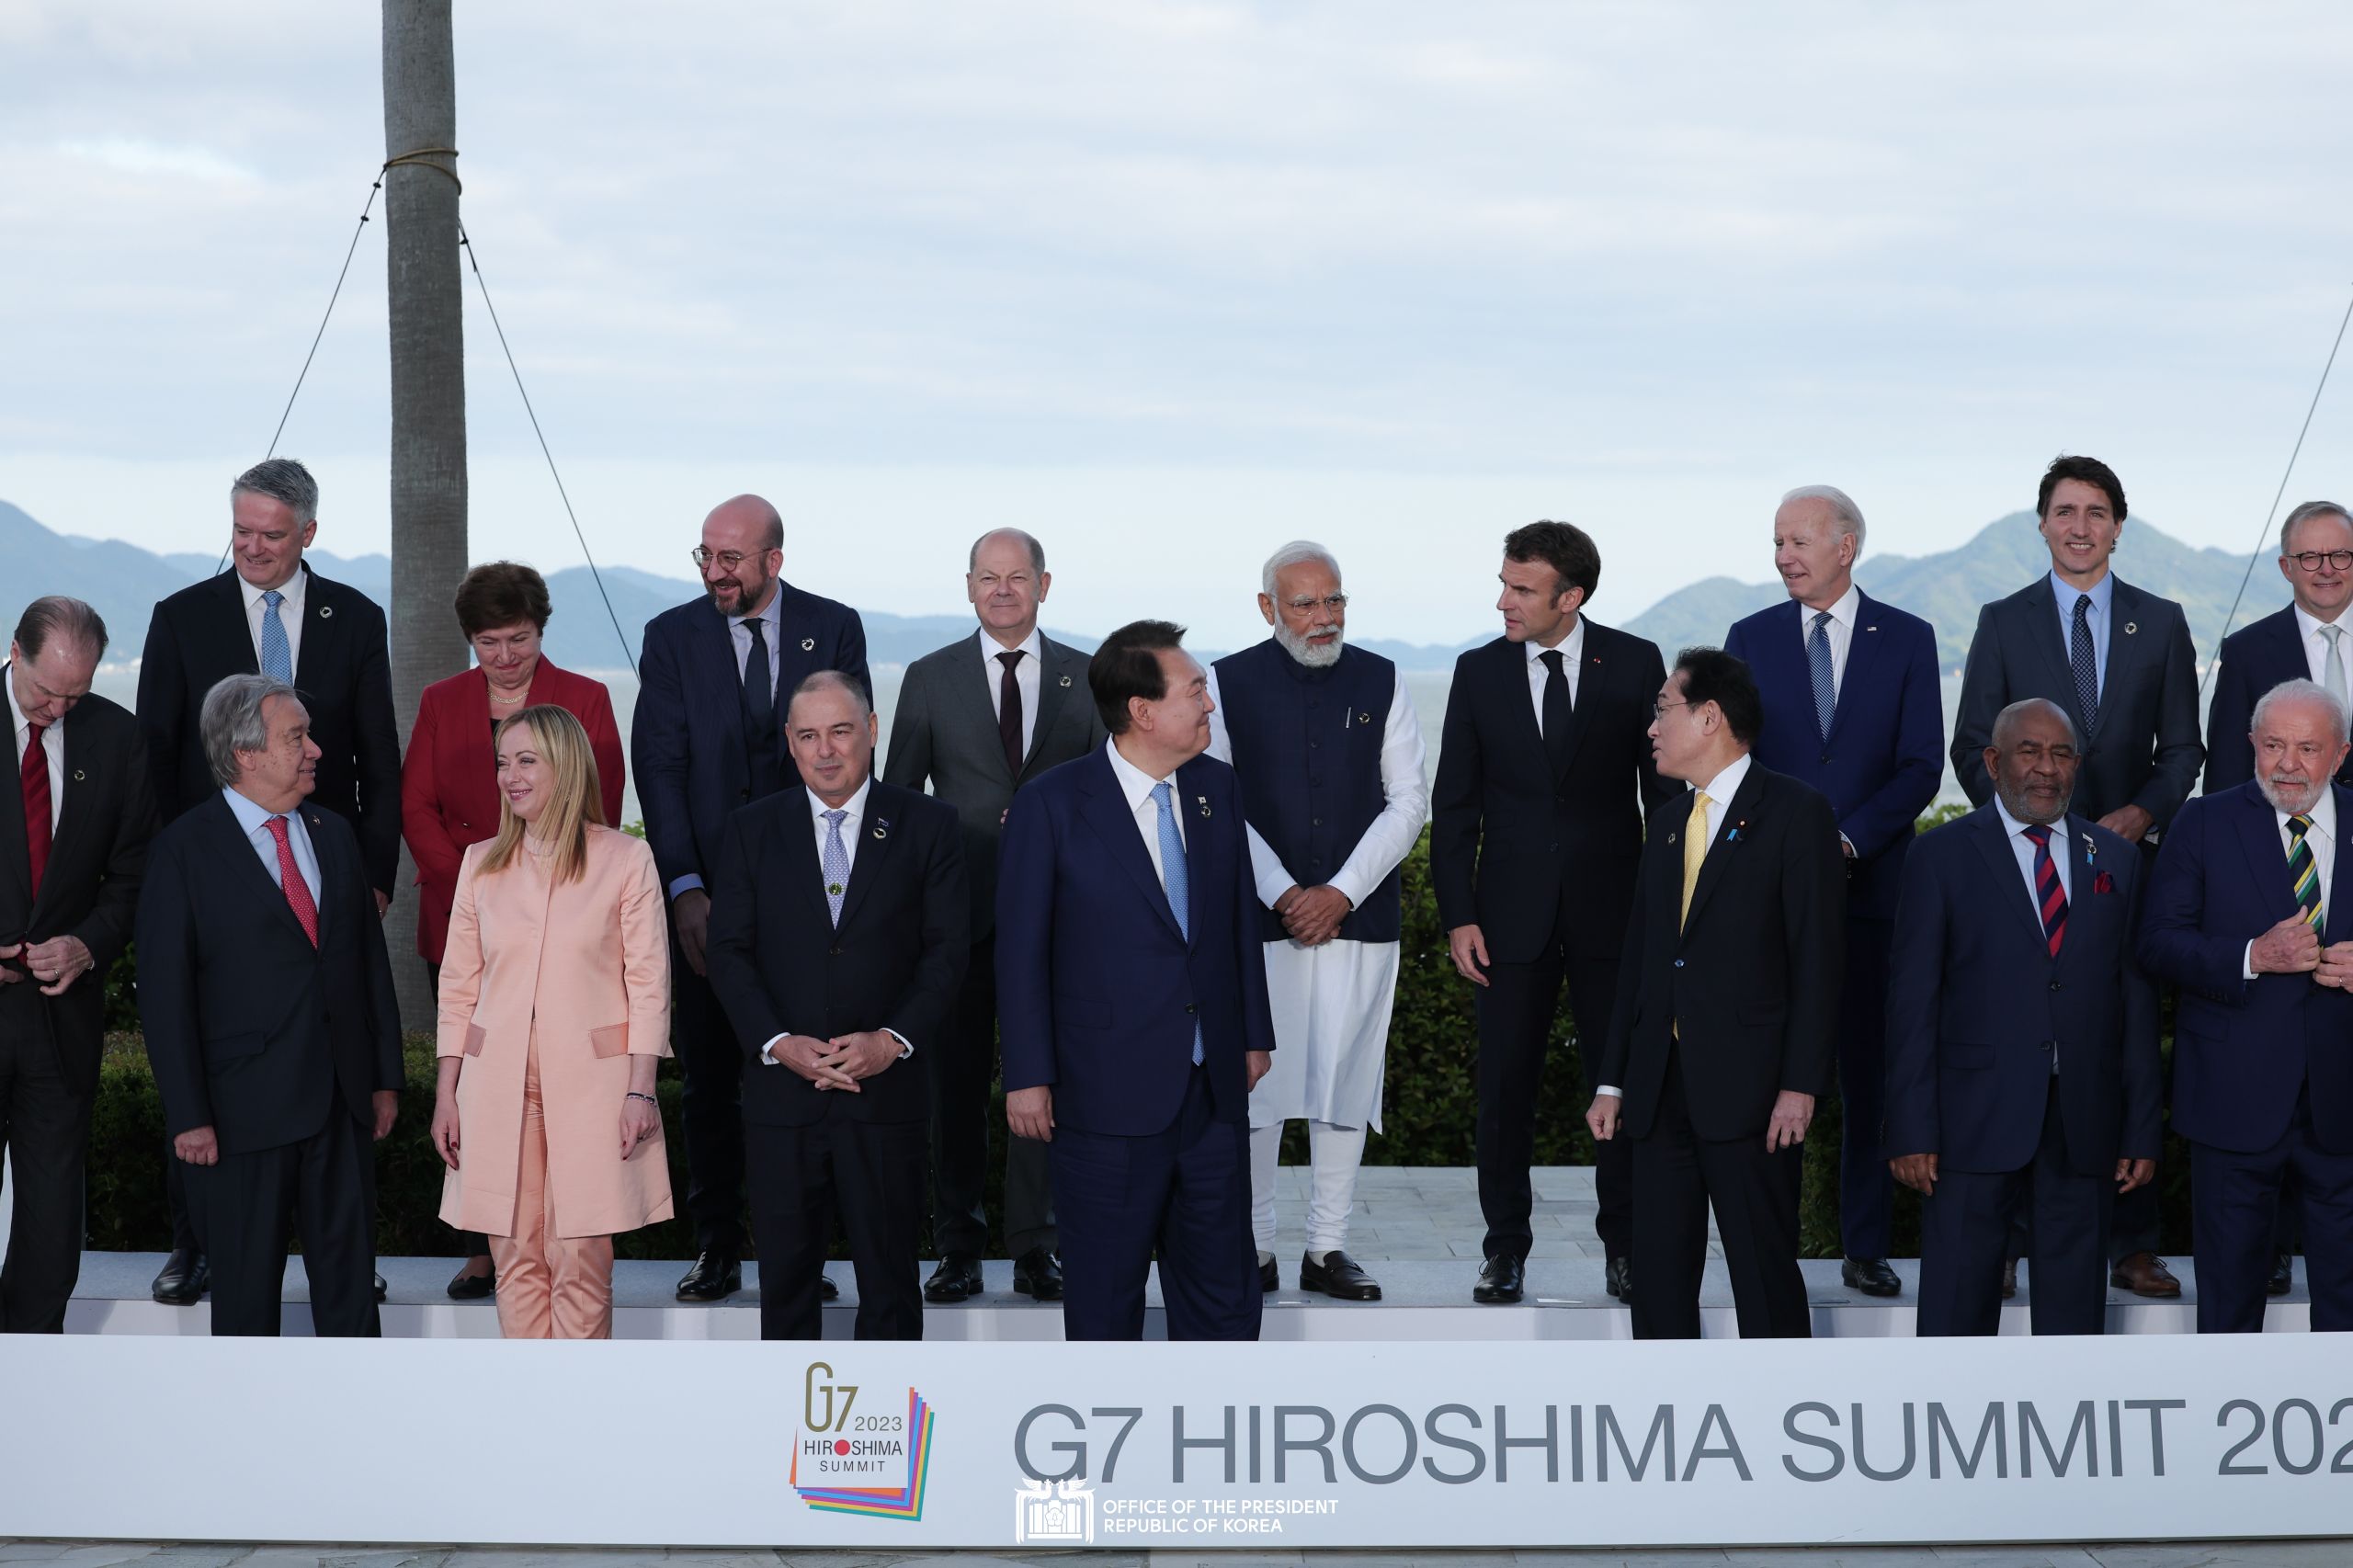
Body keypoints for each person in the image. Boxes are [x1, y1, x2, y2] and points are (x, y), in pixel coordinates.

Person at [134, 457, 401, 1308]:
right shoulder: (182, 617)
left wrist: (376, 876)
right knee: (222, 1073)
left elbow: (376, 756)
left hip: (327, 862)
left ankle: (347, 1261)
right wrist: (190, 872)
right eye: (241, 531)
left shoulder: (354, 616)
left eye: (270, 535)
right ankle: (197, 1245)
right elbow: (156, 755)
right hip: (220, 874)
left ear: (308, 535)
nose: (252, 547)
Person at [1949, 453, 2202, 1301]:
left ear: (2118, 527)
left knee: (2125, 1041)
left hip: (2126, 874)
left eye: (2097, 511)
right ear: (2044, 523)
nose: (2081, 526)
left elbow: (2185, 752)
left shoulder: (2161, 622)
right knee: (2025, 1040)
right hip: (2026, 875)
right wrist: (2035, 822)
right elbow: (1970, 744)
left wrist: (2135, 820)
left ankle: (2131, 1240)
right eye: (2065, 511)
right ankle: (2019, 1237)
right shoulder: (2001, 619)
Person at [997, 620, 1276, 1340]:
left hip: (1212, 1096)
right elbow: (1020, 950)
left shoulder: (1218, 789)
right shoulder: (1053, 804)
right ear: (1144, 712)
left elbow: (1237, 922)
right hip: (1101, 1100)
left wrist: (1252, 1036)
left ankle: (1218, 1440)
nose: (1210, 703)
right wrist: (1027, 1075)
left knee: (1224, 1297)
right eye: (1195, 691)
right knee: (1104, 1299)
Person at [632, 494, 869, 1303]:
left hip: (807, 902)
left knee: (808, 1078)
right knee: (708, 1083)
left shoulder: (834, 628)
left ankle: (799, 1255)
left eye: (731, 558)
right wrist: (685, 887)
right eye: (706, 556)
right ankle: (718, 1248)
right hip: (705, 900)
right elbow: (657, 768)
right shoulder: (670, 638)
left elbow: (848, 757)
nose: (715, 571)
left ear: (774, 559)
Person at [1430, 521, 1674, 1306]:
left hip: (1616, 917)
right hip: (1507, 921)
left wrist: (1664, 915)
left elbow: (1664, 800)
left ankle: (1627, 1247)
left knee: (1623, 1084)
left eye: (1521, 588)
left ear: (1570, 598)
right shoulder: (1476, 672)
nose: (1503, 600)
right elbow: (1455, 806)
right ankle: (1504, 1250)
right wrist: (1459, 916)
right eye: (1505, 583)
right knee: (1505, 1090)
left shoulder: (1634, 663)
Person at [1723, 486, 1942, 1300]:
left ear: (1846, 546)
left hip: (1876, 890)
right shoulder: (1749, 637)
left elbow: (1923, 764)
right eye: (1777, 542)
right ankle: (1769, 1242)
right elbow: (1733, 757)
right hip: (1771, 899)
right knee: (1768, 1074)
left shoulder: (1910, 638)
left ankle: (1865, 1243)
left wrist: (1848, 838)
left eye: (1799, 541)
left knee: (1869, 1078)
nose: (1783, 556)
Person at [1586, 648, 1843, 1340]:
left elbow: (1818, 961)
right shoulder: (1668, 822)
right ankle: (1666, 1419)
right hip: (1657, 1092)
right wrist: (1612, 1080)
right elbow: (1641, 962)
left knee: (1763, 1275)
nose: (1651, 728)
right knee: (1659, 1277)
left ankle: (1785, 1417)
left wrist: (1800, 1084)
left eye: (1662, 710)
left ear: (1709, 717)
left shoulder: (1796, 813)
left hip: (1755, 1097)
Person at [1884, 699, 2160, 1335]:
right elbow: (1911, 1004)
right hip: (1968, 1125)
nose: (2046, 768)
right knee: (1958, 1306)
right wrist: (1909, 1127)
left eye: (2061, 753)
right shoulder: (1940, 856)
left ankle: (2068, 1430)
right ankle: (1948, 1426)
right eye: (2029, 752)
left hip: (2083, 1123)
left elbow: (2135, 1003)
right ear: (1992, 762)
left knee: (2074, 1317)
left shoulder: (2115, 860)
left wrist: (2141, 1129)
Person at [706, 672, 969, 1340]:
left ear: (872, 731)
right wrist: (777, 1043)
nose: (826, 750)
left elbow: (947, 954)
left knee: (890, 1288)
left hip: (886, 1100)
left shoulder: (929, 826)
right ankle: (788, 1440)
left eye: (841, 731)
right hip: (781, 1102)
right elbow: (728, 954)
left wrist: (892, 1039)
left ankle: (893, 1442)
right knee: (785, 1289)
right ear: (789, 746)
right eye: (808, 735)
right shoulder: (749, 830)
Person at [882, 528, 1101, 1306]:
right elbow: (900, 806)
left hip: (1061, 917)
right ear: (969, 586)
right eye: (988, 577)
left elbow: (1111, 796)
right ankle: (959, 1247)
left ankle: (1039, 1246)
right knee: (957, 1084)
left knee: (1043, 1080)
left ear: (1045, 585)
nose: (1002, 589)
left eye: (1017, 577)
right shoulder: (930, 677)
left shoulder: (1087, 676)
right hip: (957, 916)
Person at [1205, 541, 1427, 1301]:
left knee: (1346, 1077)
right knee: (1259, 1083)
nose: (1324, 617)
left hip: (1359, 919)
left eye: (1334, 600)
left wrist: (1341, 892)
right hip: (1258, 920)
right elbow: (1217, 800)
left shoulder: (1384, 678)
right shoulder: (1223, 681)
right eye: (1305, 603)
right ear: (1268, 608)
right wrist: (1281, 893)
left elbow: (1409, 801)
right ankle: (1257, 1249)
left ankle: (1326, 1249)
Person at [403, 562, 626, 1298]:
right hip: (475, 923)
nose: (503, 655)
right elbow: (417, 808)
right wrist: (481, 882)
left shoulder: (587, 699)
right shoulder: (441, 701)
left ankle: (572, 1229)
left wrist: (543, 890)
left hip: (569, 926)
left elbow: (602, 808)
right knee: (478, 1089)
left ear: (541, 630)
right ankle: (482, 1243)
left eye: (518, 639)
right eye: (488, 642)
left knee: (569, 1087)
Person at [429, 706, 671, 1339]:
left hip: (594, 1090)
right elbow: (458, 987)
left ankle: (580, 1418)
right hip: (494, 1091)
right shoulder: (480, 863)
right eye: (503, 762)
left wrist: (641, 1089)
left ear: (565, 767)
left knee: (582, 1263)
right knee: (514, 1265)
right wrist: (446, 1094)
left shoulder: (625, 860)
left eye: (526, 761)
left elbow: (649, 985)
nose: (510, 776)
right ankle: (528, 1417)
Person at [2139, 679, 2353, 1333]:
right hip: (2232, 1105)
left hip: (2343, 1109)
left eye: (2307, 748)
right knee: (2229, 1305)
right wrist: (2251, 956)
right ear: (2250, 746)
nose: (2288, 765)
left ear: (2340, 755)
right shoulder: (2203, 822)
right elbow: (2157, 944)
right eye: (2273, 745)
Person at [2200, 499, 2353, 1295]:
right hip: (2276, 888)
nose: (2326, 570)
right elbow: (2228, 779)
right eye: (2310, 557)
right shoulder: (2249, 648)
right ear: (2286, 565)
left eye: (2340, 556)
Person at [0, 598, 154, 1331]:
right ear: (14, 652)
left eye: (76, 693)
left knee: (52, 1212)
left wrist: (88, 943)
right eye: (46, 691)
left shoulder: (118, 739)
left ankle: (28, 1362)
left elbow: (134, 876)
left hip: (61, 1019)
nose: (58, 707)